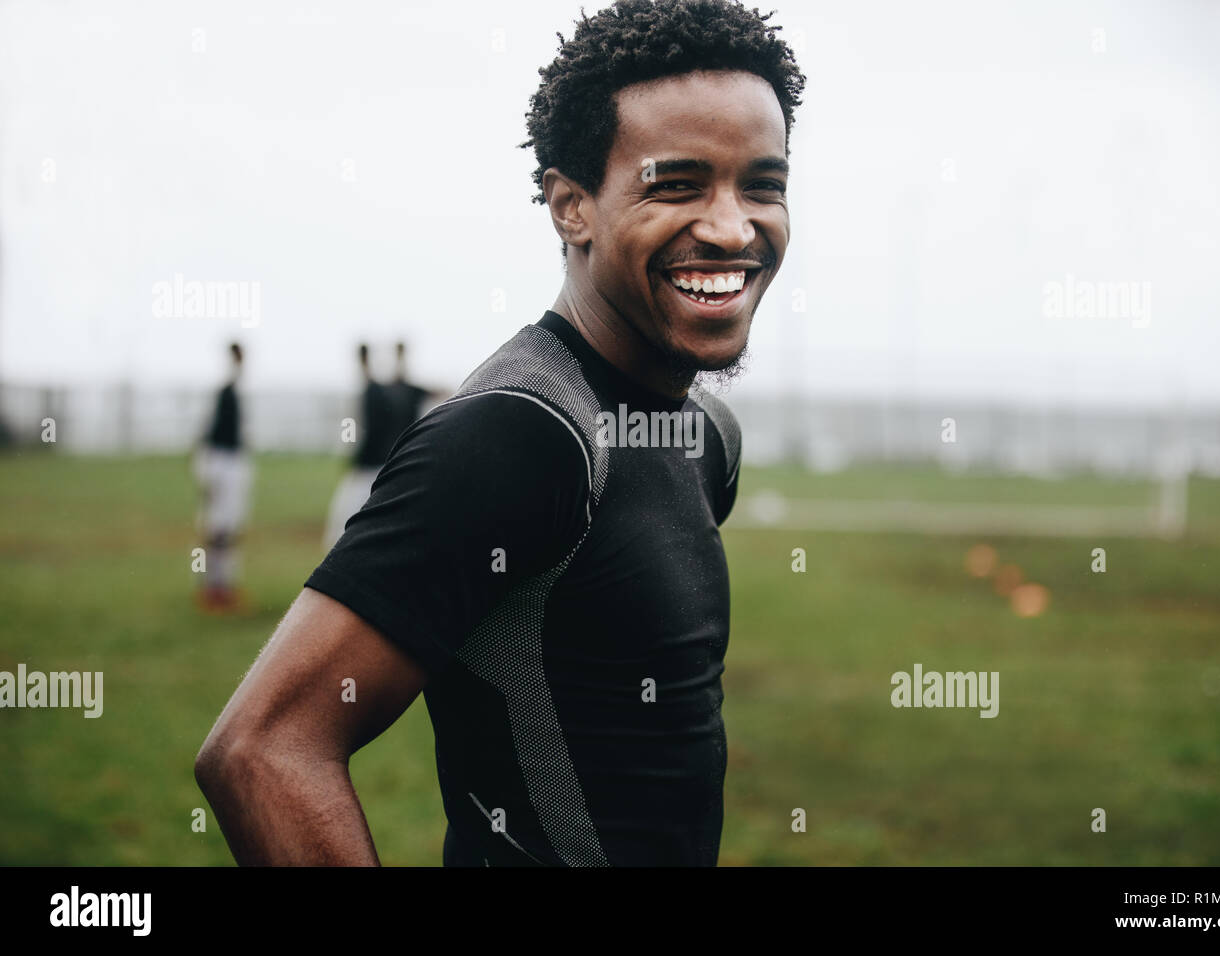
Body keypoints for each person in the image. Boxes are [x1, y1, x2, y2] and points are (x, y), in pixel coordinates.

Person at [196, 0, 803, 866]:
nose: (733, 226)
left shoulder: (708, 436)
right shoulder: (517, 436)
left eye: (762, 185)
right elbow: (263, 750)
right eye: (677, 184)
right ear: (572, 207)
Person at [322, 344, 399, 551]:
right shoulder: (378, 391)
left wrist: (355, 460)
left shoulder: (371, 392)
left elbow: (367, 432)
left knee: (345, 520)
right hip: (378, 464)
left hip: (368, 468)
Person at [193, 342, 252, 611]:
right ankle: (212, 586)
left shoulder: (232, 392)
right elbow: (208, 434)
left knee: (227, 527)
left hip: (229, 462)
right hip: (221, 463)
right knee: (217, 528)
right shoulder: (225, 393)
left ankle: (221, 584)